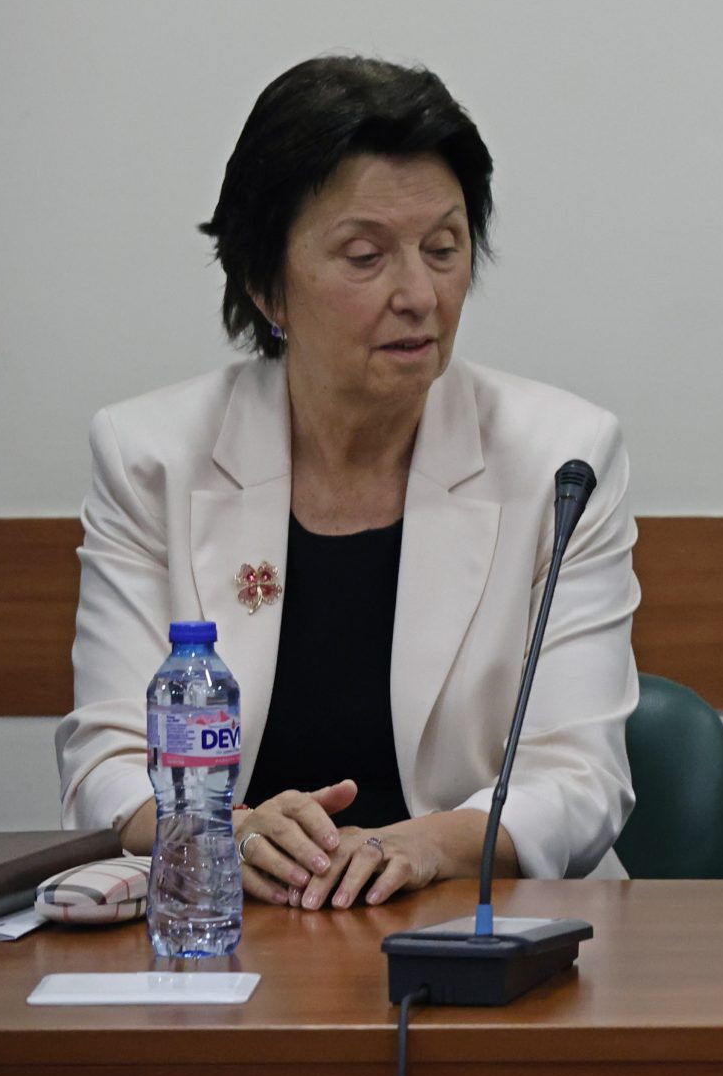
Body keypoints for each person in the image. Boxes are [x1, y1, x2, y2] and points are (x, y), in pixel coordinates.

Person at [56, 56, 641, 910]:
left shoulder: (562, 461)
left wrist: (426, 843)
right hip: (228, 928)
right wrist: (231, 832)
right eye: (366, 256)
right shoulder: (153, 458)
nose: (420, 295)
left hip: (471, 929)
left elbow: (580, 777)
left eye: (443, 249)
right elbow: (106, 768)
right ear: (268, 287)